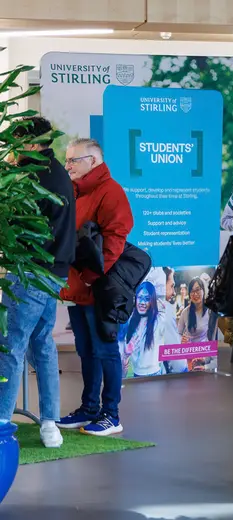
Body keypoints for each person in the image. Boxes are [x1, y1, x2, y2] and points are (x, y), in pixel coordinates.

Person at [0, 116, 75, 448]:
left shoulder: (30, 176)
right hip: (54, 273)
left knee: (11, 345)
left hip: (29, 270)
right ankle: (50, 424)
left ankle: (2, 422)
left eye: (15, 142)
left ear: (29, 143)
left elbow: (15, 221)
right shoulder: (56, 172)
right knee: (42, 345)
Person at [56, 137, 133, 437]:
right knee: (86, 351)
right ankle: (89, 408)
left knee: (105, 350)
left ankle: (111, 414)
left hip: (98, 287)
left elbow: (115, 238)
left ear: (93, 161)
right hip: (77, 286)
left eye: (73, 160)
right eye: (67, 160)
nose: (67, 166)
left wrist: (91, 276)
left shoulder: (110, 192)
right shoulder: (74, 193)